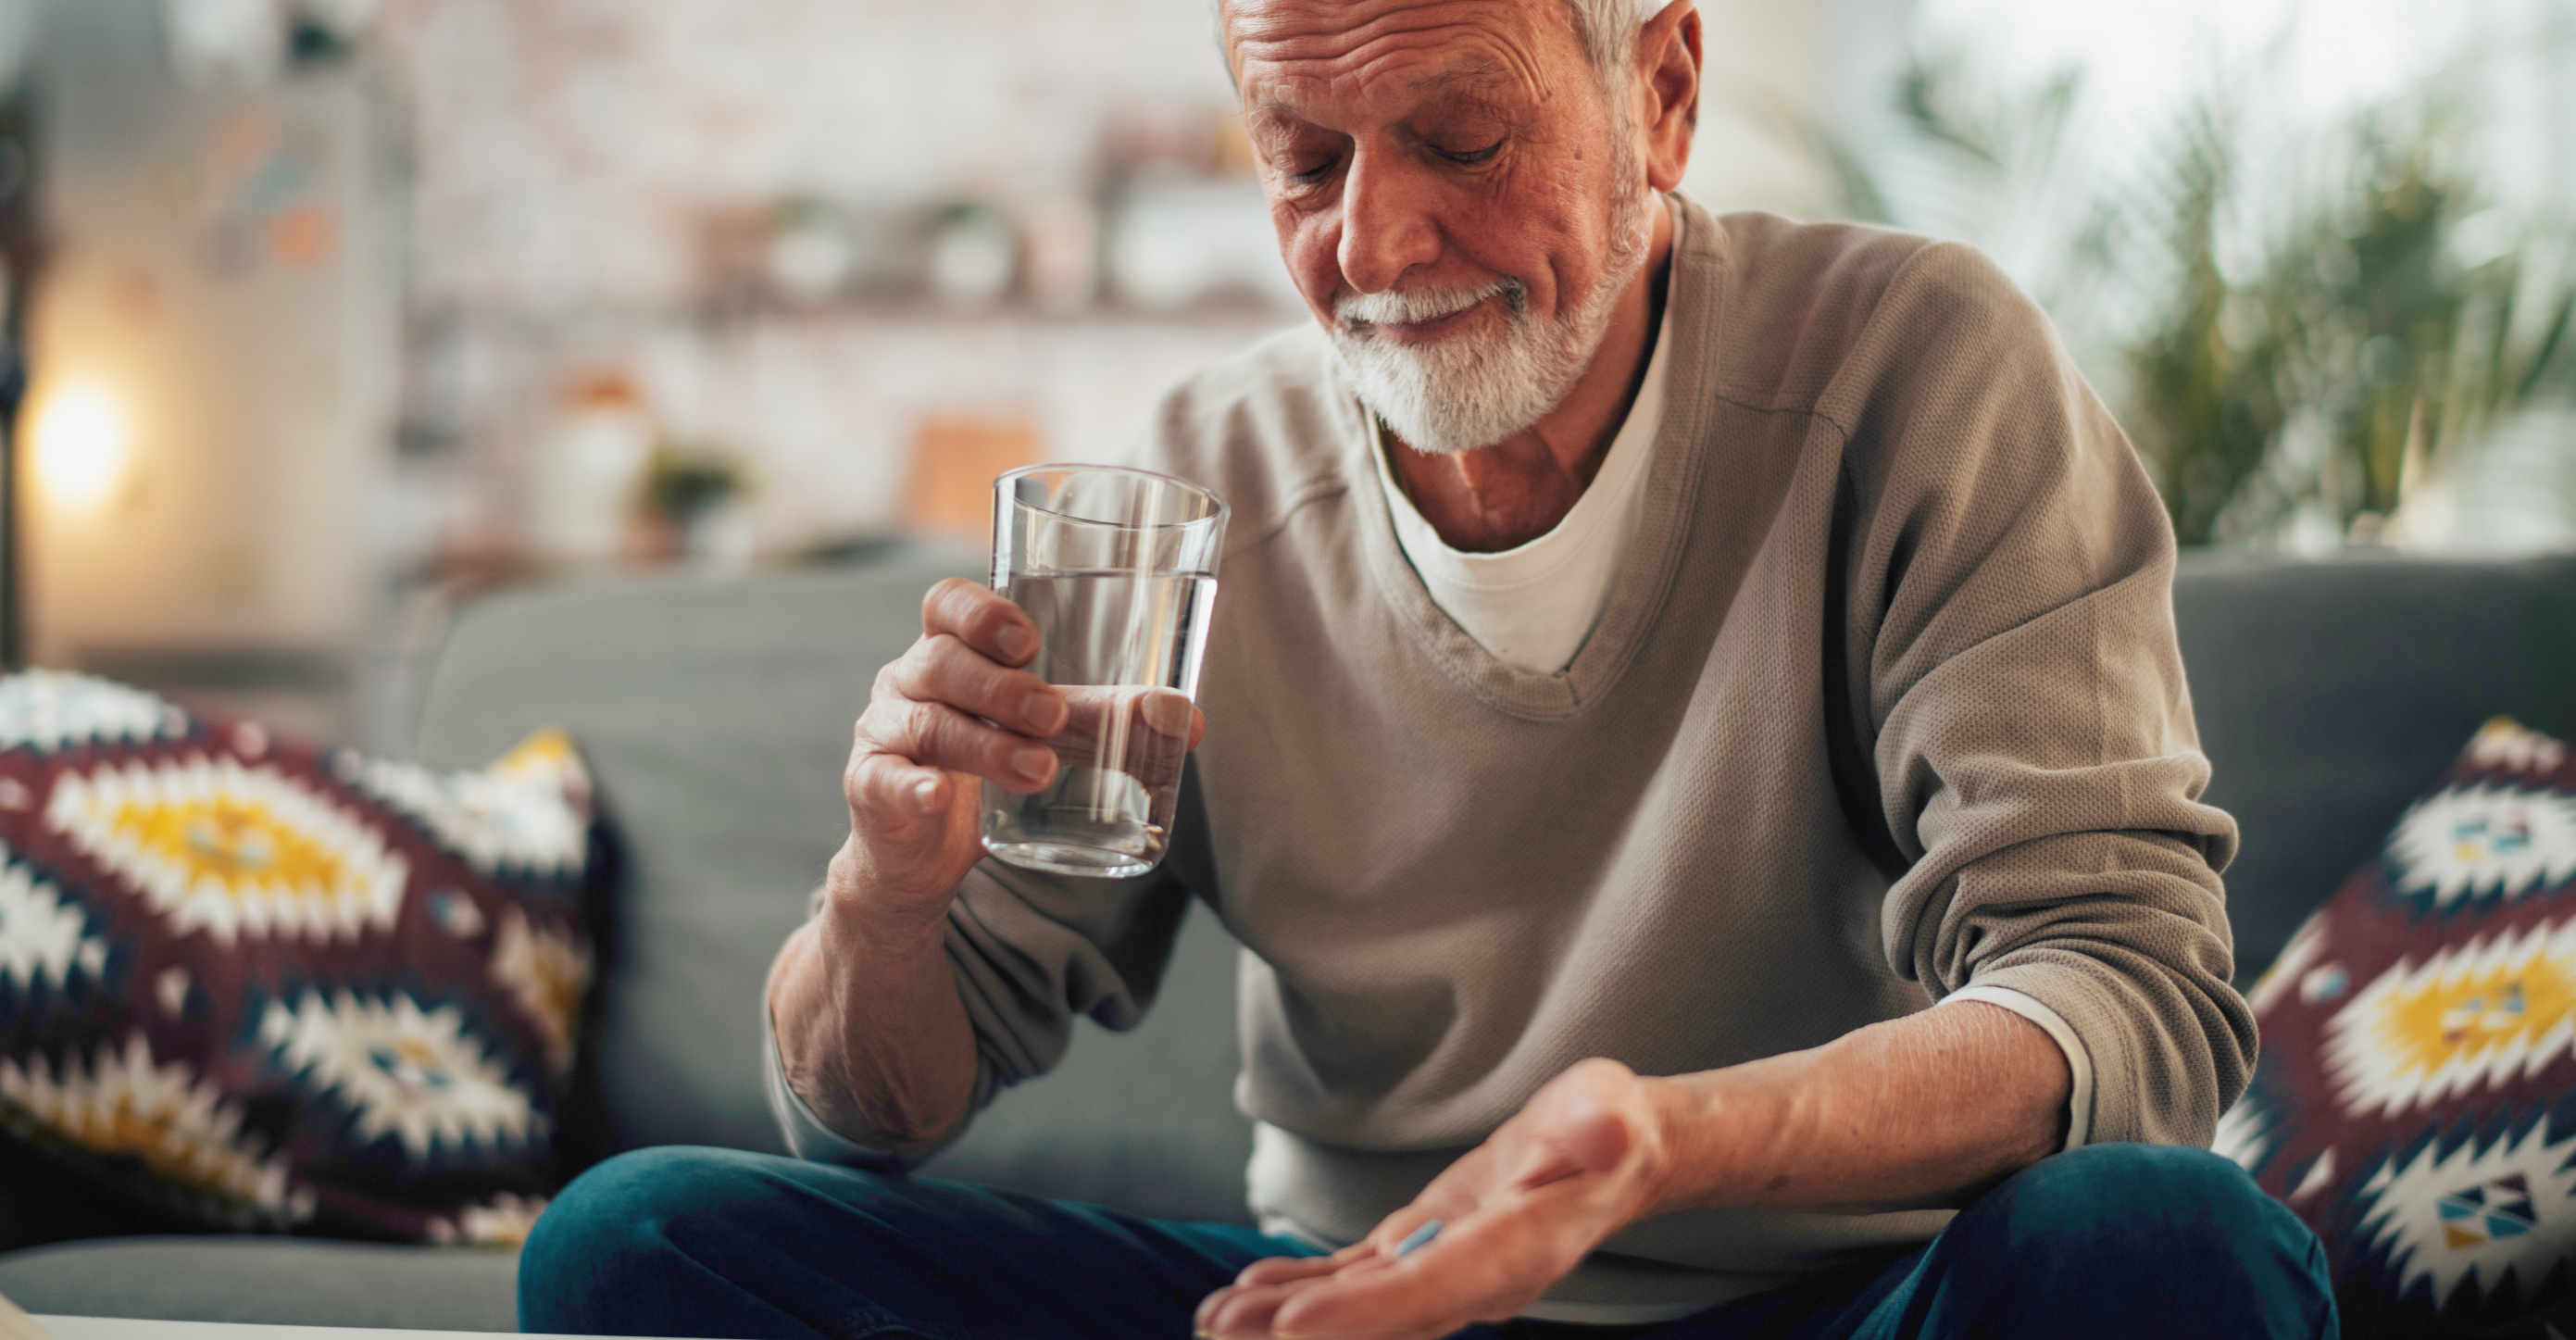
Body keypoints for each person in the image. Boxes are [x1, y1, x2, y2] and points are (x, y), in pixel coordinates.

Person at [520, 0, 2339, 1335]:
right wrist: (886, 897)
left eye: (1459, 142)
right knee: (634, 1248)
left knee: (2158, 1251)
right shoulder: (1193, 487)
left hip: (1842, 1307)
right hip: (1345, 1313)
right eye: (1302, 162)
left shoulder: (1915, 376)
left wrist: (1649, 1147)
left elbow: (2130, 997)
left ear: (1664, 94)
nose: (1371, 246)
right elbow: (873, 1118)